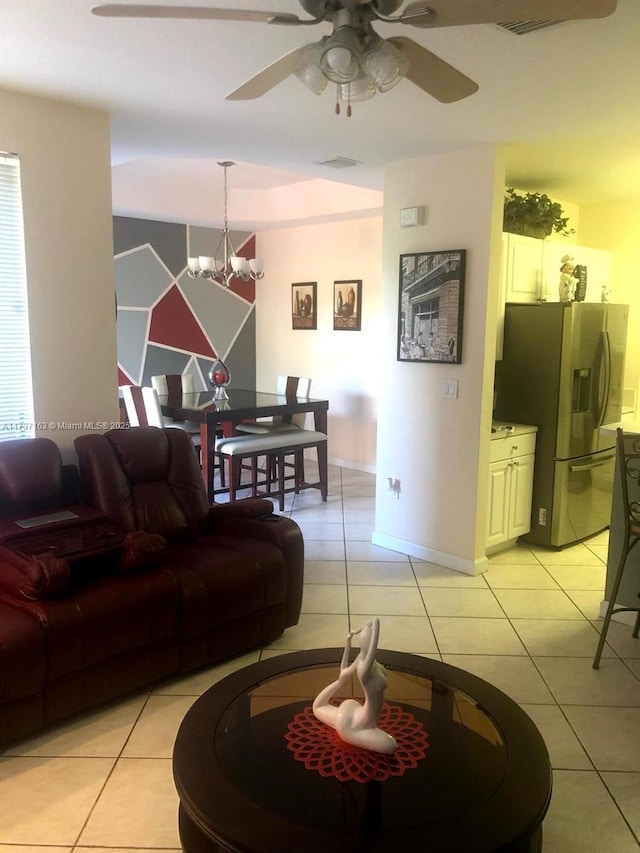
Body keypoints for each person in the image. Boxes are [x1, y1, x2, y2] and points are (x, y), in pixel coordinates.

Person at [312, 617, 397, 754]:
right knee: (390, 746)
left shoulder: (363, 659)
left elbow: (345, 670)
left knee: (391, 745)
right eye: (368, 641)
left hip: (357, 714)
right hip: (358, 725)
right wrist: (339, 681)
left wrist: (352, 636)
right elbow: (375, 621)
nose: (371, 644)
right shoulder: (365, 668)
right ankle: (349, 732)